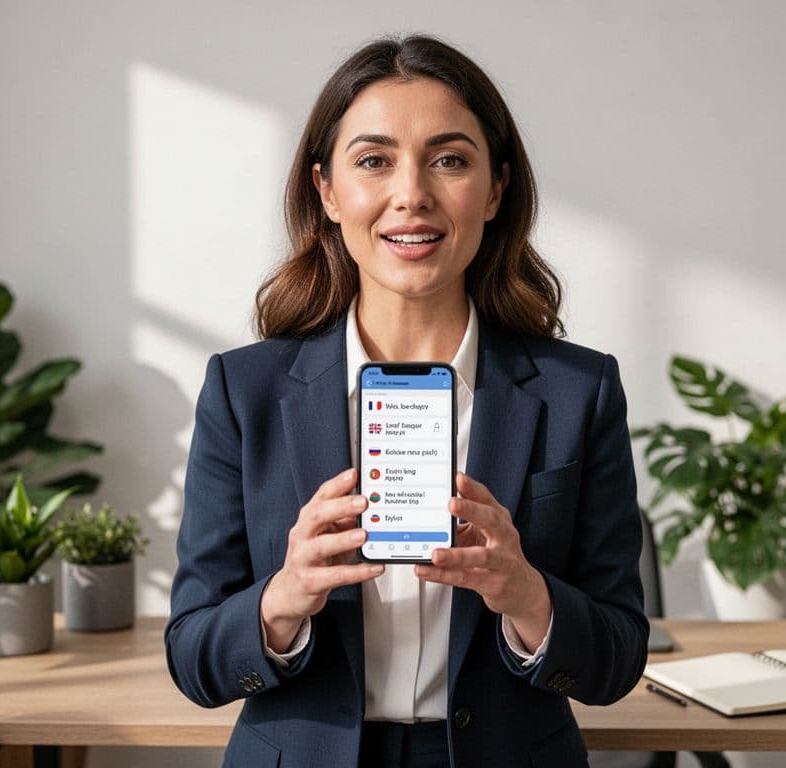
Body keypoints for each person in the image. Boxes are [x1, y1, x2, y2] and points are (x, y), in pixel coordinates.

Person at [165, 34, 648, 768]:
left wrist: (525, 594)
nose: (412, 194)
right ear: (327, 190)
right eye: (374, 160)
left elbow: (617, 659)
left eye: (450, 159)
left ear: (495, 190)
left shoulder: (580, 392)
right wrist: (285, 597)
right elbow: (191, 658)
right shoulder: (245, 391)